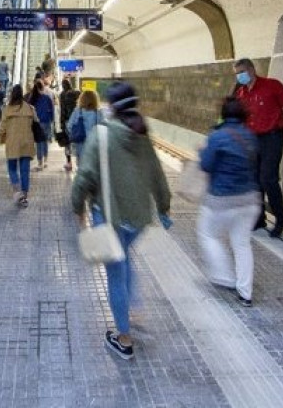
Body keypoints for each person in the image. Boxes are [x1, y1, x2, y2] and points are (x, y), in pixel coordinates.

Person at [71, 81, 171, 361]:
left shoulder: (101, 135)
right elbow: (157, 175)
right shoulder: (141, 133)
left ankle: (124, 339)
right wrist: (164, 207)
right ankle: (133, 307)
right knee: (125, 256)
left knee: (115, 273)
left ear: (111, 106)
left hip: (111, 216)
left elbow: (85, 176)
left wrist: (77, 207)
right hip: (138, 217)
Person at [197, 97, 261, 307]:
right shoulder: (251, 136)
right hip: (250, 200)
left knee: (208, 234)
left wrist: (202, 152)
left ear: (223, 114)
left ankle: (225, 277)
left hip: (222, 199)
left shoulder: (217, 136)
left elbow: (206, 166)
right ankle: (246, 293)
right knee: (242, 244)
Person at [232, 58, 283, 238]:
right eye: (237, 74)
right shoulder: (241, 93)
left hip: (272, 137)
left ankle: (281, 217)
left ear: (252, 70)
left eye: (242, 72)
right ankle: (259, 218)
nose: (239, 76)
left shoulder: (272, 86)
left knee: (267, 178)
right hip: (251, 140)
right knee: (254, 180)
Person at [0, 84, 37, 207]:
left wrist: (2, 137)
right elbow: (36, 122)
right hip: (26, 142)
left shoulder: (7, 110)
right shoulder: (30, 108)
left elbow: (2, 127)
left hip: (12, 142)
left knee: (12, 168)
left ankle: (17, 190)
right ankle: (24, 196)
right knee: (25, 170)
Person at [67, 89, 100, 168]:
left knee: (81, 166)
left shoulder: (77, 111)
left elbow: (69, 126)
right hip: (94, 144)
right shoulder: (98, 113)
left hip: (80, 143)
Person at [27, 79, 55, 170]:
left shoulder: (32, 99)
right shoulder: (47, 98)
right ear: (42, 87)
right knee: (45, 141)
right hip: (46, 121)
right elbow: (52, 110)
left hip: (37, 123)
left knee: (39, 143)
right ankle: (46, 161)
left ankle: (40, 163)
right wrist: (51, 119)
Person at [58, 79, 81, 171]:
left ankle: (69, 163)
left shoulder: (62, 95)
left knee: (67, 143)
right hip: (77, 121)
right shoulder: (77, 93)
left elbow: (62, 110)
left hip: (67, 121)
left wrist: (61, 123)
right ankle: (79, 163)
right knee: (78, 142)